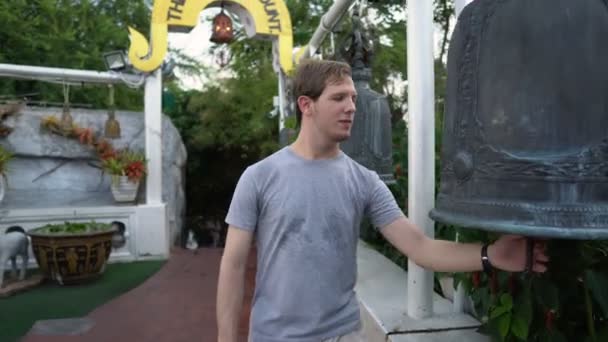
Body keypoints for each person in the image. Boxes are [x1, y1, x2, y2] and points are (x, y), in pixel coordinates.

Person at [216, 59, 548, 342]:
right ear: (307, 105)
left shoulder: (364, 181)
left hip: (343, 334)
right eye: (338, 98)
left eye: (353, 98)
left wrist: (492, 255)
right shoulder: (259, 177)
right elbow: (232, 265)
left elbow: (420, 247)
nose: (351, 107)